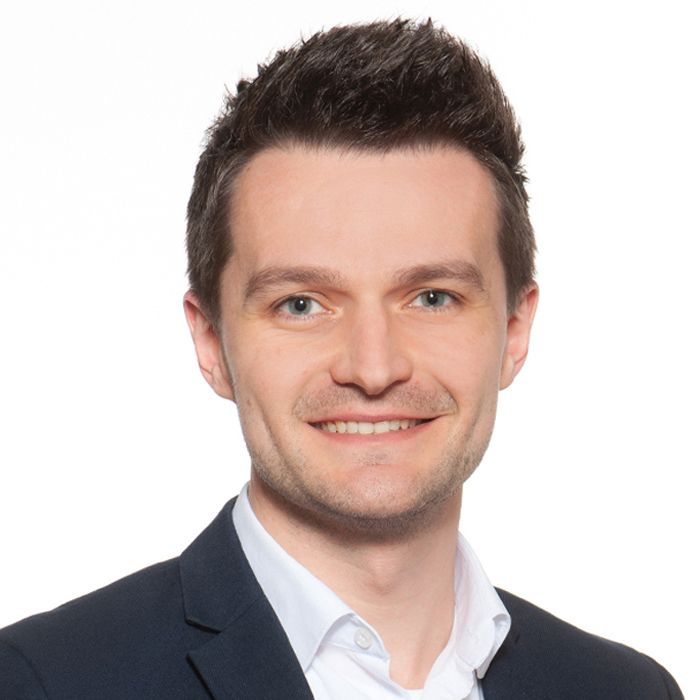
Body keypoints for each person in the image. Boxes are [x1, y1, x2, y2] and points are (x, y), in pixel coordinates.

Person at [0, 18, 684, 700]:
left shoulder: (626, 691)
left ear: (514, 330)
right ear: (211, 343)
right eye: (301, 304)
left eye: (432, 298)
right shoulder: (44, 683)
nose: (374, 368)